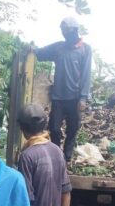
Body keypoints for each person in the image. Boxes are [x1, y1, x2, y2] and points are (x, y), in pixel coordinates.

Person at [34, 16, 93, 162]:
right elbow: (40, 53)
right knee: (54, 128)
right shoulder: (58, 47)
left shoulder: (85, 49)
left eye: (66, 31)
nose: (64, 34)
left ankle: (66, 157)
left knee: (73, 128)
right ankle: (56, 154)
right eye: (62, 31)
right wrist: (32, 50)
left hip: (75, 98)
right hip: (59, 97)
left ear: (74, 31)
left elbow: (86, 74)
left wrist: (83, 97)